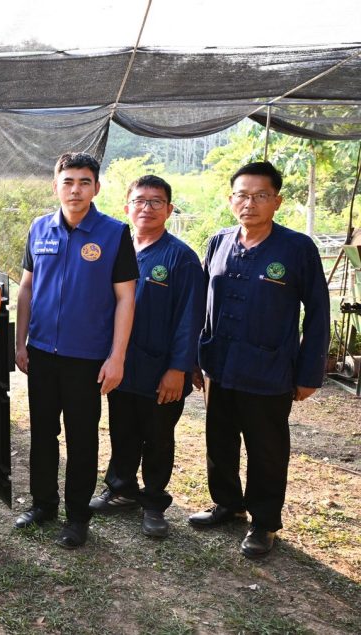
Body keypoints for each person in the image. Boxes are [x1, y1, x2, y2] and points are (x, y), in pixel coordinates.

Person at [191, 161, 329, 558]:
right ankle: (227, 503)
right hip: (219, 364)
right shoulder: (218, 242)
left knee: (267, 448)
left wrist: (309, 373)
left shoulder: (296, 248)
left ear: (277, 201)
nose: (249, 203)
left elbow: (318, 312)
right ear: (230, 199)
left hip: (268, 369)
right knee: (219, 439)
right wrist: (196, 358)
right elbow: (201, 304)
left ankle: (264, 521)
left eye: (260, 195)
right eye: (242, 195)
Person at [13, 152, 138, 548]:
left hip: (87, 358)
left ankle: (78, 517)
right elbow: (27, 288)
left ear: (96, 188)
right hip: (42, 353)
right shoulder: (39, 229)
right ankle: (43, 505)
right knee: (43, 433)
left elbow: (126, 298)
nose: (75, 189)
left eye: (84, 182)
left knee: (82, 439)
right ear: (56, 186)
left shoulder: (114, 233)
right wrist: (20, 342)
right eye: (68, 182)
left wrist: (117, 357)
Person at [89, 176, 206, 538]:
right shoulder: (115, 250)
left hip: (161, 370)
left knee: (158, 437)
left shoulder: (181, 258)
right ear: (127, 207)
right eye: (140, 201)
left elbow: (190, 318)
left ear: (169, 210)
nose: (147, 208)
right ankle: (121, 490)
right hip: (121, 365)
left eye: (156, 202)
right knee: (122, 430)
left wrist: (178, 369)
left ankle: (154, 502)